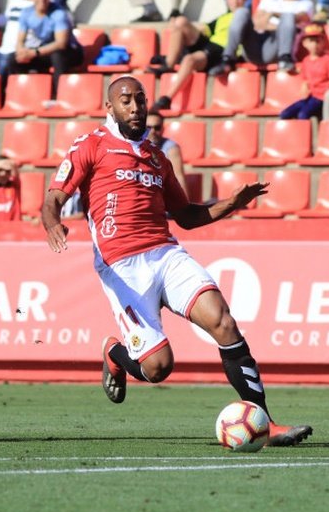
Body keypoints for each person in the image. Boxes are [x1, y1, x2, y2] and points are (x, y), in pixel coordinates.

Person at [41, 75, 312, 447]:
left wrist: (231, 204)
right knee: (157, 367)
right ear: (109, 108)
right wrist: (52, 223)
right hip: (121, 265)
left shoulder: (156, 157)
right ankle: (116, 353)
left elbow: (185, 216)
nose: (135, 107)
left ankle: (265, 424)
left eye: (140, 99)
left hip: (166, 254)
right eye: (125, 101)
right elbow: (54, 197)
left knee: (223, 321)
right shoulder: (91, 145)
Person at [149, 0, 246, 110]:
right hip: (210, 44)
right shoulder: (223, 18)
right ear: (227, 0)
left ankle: (166, 98)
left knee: (189, 59)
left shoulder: (247, 17)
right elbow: (204, 29)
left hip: (223, 52)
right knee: (180, 21)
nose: (235, 2)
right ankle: (169, 64)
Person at [208, 0, 313, 76]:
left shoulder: (306, 3)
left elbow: (298, 19)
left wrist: (271, 14)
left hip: (276, 48)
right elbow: (257, 23)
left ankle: (285, 59)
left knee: (288, 16)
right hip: (255, 45)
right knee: (241, 12)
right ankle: (227, 59)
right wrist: (279, 25)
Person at [3, 0, 83, 96]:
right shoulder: (26, 13)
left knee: (58, 56)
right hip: (44, 51)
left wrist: (34, 53)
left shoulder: (59, 13)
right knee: (12, 59)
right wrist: (21, 52)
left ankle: (59, 96)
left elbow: (61, 43)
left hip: (69, 52)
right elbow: (20, 40)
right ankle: (23, 94)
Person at [279, 22, 329, 120]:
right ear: (305, 43)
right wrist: (304, 87)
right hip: (309, 96)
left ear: (323, 42)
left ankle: (304, 134)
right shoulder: (306, 60)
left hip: (321, 97)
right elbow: (304, 79)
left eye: (318, 41)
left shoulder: (327, 59)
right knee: (285, 114)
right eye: (311, 41)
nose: (315, 44)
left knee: (303, 115)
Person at [145, 109, 188, 193]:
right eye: (149, 127)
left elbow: (179, 177)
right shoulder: (135, 145)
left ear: (163, 128)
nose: (153, 131)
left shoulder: (171, 147)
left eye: (157, 127)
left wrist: (186, 204)